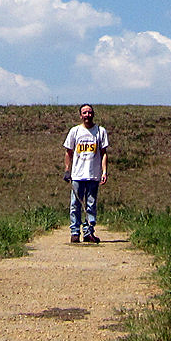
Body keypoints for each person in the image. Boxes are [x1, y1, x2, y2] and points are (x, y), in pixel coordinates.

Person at [62, 103, 108, 243]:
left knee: (91, 204)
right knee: (75, 204)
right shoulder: (75, 131)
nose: (87, 115)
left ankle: (88, 232)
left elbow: (104, 153)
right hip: (77, 175)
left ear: (93, 114)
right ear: (80, 115)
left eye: (89, 112)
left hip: (93, 175)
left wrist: (104, 172)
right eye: (84, 113)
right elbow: (68, 152)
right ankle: (75, 232)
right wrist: (67, 170)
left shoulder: (100, 131)